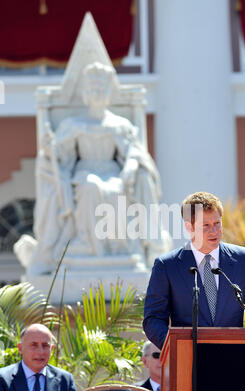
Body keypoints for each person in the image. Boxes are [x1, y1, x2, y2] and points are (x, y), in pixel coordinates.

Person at [23, 61, 170, 275]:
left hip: (112, 172)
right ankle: (86, 242)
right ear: (85, 94)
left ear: (109, 92)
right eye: (92, 89)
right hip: (84, 172)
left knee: (116, 190)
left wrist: (129, 166)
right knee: (90, 186)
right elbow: (60, 155)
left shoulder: (119, 125)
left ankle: (117, 247)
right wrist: (49, 148)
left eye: (101, 89)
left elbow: (134, 152)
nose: (97, 93)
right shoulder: (73, 124)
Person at [143, 191, 245, 350]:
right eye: (205, 225)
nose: (214, 231)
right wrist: (176, 348)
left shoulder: (244, 259)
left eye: (217, 223)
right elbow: (153, 319)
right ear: (189, 227)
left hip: (237, 358)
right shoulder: (166, 266)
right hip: (189, 363)